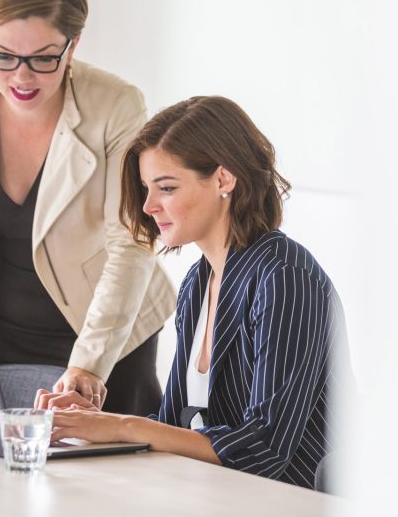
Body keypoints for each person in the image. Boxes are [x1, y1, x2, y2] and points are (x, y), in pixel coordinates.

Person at [41, 96, 354, 489]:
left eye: (166, 187)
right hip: (220, 496)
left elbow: (263, 450)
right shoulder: (197, 282)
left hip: (296, 501)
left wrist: (120, 425)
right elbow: (174, 426)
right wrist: (94, 423)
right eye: (146, 188)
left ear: (224, 179)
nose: (149, 206)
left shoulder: (285, 277)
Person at [0, 0, 176, 415]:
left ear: (73, 45)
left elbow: (131, 239)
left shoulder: (115, 105)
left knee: (108, 459)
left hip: (105, 337)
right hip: (7, 334)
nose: (21, 77)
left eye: (43, 58)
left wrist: (89, 365)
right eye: (3, 56)